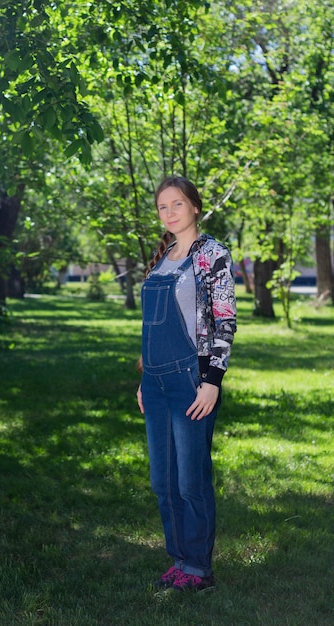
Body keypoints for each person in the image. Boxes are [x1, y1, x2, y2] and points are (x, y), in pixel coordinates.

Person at [137, 176, 237, 592]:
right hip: (156, 384)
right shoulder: (161, 259)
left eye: (177, 204)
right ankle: (179, 559)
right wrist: (144, 379)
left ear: (195, 206)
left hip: (192, 380)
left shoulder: (212, 254)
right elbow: (149, 326)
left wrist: (212, 380)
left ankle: (199, 568)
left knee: (190, 479)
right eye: (163, 207)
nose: (170, 213)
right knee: (163, 481)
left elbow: (224, 320)